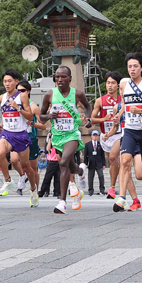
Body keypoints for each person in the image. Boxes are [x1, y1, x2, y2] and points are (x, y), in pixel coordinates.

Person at [39, 66, 92, 214]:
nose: (60, 80)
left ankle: (62, 202)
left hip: (72, 134)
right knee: (70, 166)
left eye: (63, 77)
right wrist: (49, 116)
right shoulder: (50, 95)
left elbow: (88, 107)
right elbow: (41, 116)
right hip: (57, 136)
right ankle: (80, 171)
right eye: (57, 77)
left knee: (63, 164)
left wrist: (88, 118)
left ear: (70, 79)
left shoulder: (77, 94)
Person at [112, 52, 142, 212]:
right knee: (124, 161)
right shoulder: (124, 86)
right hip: (130, 131)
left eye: (135, 66)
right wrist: (118, 116)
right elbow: (125, 106)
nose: (132, 70)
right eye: (129, 67)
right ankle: (122, 198)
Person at [0, 69, 38, 206]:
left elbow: (30, 117)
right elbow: (5, 114)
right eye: (5, 81)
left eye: (10, 81)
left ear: (16, 82)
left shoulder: (22, 96)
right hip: (7, 133)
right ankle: (8, 180)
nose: (7, 84)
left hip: (21, 134)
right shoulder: (1, 98)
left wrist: (18, 108)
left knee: (26, 166)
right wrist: (0, 124)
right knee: (0, 153)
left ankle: (33, 189)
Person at [91, 71, 123, 200]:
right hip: (105, 135)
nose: (110, 86)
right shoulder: (100, 100)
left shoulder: (123, 99)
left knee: (113, 158)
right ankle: (117, 182)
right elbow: (92, 119)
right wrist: (103, 119)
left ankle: (112, 187)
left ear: (118, 85)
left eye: (113, 83)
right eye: (108, 83)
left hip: (120, 133)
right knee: (113, 162)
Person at [18, 80, 43, 201]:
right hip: (17, 137)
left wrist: (32, 123)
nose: (19, 93)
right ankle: (22, 175)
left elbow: (43, 126)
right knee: (13, 159)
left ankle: (35, 191)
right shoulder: (13, 104)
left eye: (22, 91)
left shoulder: (34, 107)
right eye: (17, 91)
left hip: (31, 139)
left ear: (28, 92)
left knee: (33, 169)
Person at [85, 130, 106, 195]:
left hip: (99, 162)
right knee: (90, 177)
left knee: (101, 176)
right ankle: (90, 190)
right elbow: (85, 154)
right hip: (91, 163)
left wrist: (104, 164)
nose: (95, 137)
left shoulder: (100, 144)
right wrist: (85, 163)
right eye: (94, 135)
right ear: (91, 136)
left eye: (96, 135)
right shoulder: (88, 144)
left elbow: (103, 155)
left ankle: (102, 189)